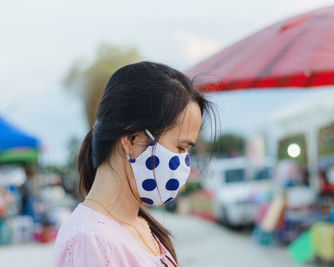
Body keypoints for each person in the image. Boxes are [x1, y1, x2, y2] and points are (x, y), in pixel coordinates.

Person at [53, 62, 216, 267]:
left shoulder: (138, 224)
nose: (184, 162)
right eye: (181, 148)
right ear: (131, 139)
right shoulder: (89, 241)